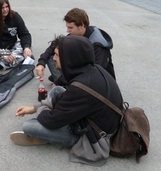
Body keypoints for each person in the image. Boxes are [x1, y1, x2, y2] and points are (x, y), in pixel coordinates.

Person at [10, 35, 123, 166]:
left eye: (57, 55)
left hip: (95, 137)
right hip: (97, 118)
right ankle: (52, 129)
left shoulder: (82, 87)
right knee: (57, 90)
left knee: (29, 127)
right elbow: (65, 96)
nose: (54, 58)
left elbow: (50, 120)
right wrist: (34, 107)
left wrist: (42, 110)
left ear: (70, 58)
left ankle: (47, 137)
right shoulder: (92, 69)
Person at [35, 8, 115, 86]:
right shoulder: (77, 34)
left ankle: (63, 82)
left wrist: (59, 81)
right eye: (67, 27)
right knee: (54, 55)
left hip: (99, 83)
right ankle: (63, 80)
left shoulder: (98, 45)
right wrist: (41, 63)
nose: (67, 31)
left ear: (82, 26)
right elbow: (53, 47)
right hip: (81, 72)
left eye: (70, 28)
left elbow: (94, 73)